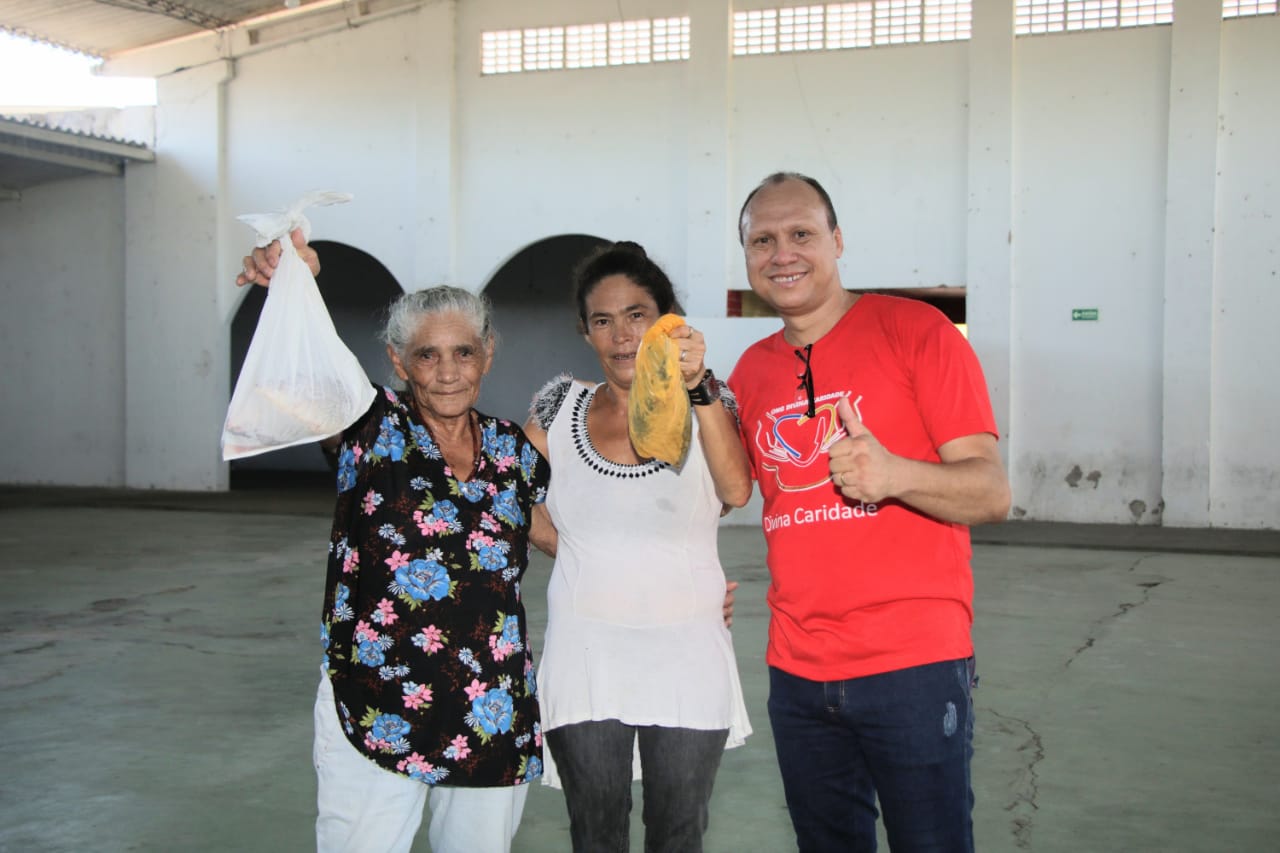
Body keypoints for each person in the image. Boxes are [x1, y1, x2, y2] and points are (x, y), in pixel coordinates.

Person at [237, 232, 556, 853]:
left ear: (488, 354)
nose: (448, 372)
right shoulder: (369, 425)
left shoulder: (511, 449)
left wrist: (675, 589)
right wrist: (293, 286)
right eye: (427, 355)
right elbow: (309, 371)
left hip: (491, 705)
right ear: (398, 360)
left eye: (463, 352)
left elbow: (559, 536)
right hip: (377, 701)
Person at [727, 173, 1012, 852]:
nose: (782, 253)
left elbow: (991, 492)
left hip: (914, 664)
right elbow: (728, 489)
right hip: (797, 671)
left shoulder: (916, 331)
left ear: (838, 240)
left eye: (801, 233)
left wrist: (892, 475)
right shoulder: (751, 371)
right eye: (762, 240)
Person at [522, 240, 754, 853]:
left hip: (688, 649)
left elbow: (736, 489)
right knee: (595, 833)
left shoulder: (710, 400)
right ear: (585, 331)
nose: (622, 335)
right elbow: (506, 496)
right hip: (585, 652)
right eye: (603, 320)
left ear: (666, 320)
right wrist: (581, 554)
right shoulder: (559, 407)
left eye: (636, 315)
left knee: (678, 832)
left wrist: (699, 388)